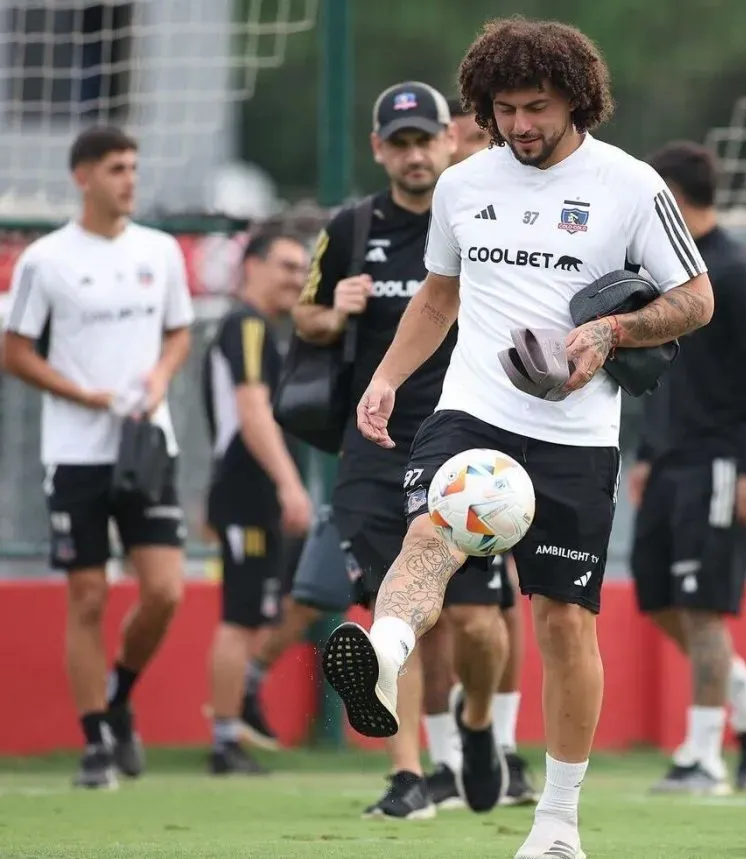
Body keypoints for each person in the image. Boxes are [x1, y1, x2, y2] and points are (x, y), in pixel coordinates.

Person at [321, 18, 714, 859]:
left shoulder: (631, 185)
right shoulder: (465, 187)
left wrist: (609, 333)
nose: (521, 125)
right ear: (482, 108)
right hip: (473, 413)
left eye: (537, 107)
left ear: (579, 99)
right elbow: (437, 297)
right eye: (504, 109)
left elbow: (695, 299)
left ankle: (558, 822)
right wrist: (386, 378)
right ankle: (386, 653)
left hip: (577, 435)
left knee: (565, 621)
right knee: (432, 529)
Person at [242, 80, 514, 820]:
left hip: (466, 441)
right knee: (391, 611)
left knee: (478, 623)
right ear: (378, 150)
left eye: (426, 139)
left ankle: (480, 728)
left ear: (450, 141)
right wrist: (336, 312)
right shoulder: (353, 225)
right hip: (376, 444)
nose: (415, 154)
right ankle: (409, 777)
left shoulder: (483, 221)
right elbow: (302, 315)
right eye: (399, 143)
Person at [2, 126, 194, 789]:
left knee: (166, 590)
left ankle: (118, 697)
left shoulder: (161, 250)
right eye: (116, 168)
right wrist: (84, 394)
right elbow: (16, 351)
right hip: (76, 452)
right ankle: (93, 743)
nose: (129, 179)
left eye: (134, 167)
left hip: (146, 441)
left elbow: (178, 330)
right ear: (83, 176)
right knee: (87, 594)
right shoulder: (46, 259)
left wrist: (161, 378)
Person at [628, 140, 746, 795]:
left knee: (703, 611)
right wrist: (646, 453)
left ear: (672, 195)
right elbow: (664, 376)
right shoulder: (673, 277)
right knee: (661, 600)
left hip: (723, 465)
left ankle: (701, 757)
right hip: (670, 462)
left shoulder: (736, 272)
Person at [416, 96, 537, 811]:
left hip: (493, 429)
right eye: (451, 137)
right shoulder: (419, 213)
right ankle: (439, 759)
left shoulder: (521, 206)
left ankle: (500, 740)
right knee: (422, 599)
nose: (458, 148)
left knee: (493, 610)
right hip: (413, 428)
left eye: (467, 137)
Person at [200, 227, 313, 775]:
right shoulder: (244, 325)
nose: (296, 278)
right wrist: (290, 484)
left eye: (301, 268)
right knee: (240, 618)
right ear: (252, 267)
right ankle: (225, 740)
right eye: (286, 266)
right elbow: (251, 412)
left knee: (300, 592)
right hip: (246, 492)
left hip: (257, 493)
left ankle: (246, 690)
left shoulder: (267, 331)